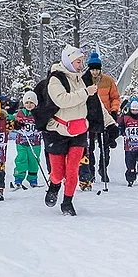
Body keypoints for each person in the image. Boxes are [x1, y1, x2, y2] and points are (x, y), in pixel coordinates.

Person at [43, 45, 99, 216]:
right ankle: (54, 185)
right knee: (58, 173)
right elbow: (62, 100)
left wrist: (109, 124)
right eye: (78, 61)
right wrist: (85, 92)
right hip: (58, 131)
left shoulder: (80, 79)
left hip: (79, 131)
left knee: (73, 169)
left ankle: (67, 201)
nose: (81, 65)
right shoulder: (56, 79)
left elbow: (96, 104)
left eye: (82, 61)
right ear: (68, 61)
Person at [82, 51, 121, 183]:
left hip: (105, 117)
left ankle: (103, 168)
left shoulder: (108, 80)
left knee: (105, 145)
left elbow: (115, 97)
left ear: (100, 69)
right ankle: (91, 169)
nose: (94, 72)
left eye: (96, 69)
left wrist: (114, 110)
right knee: (90, 146)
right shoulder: (84, 81)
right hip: (91, 117)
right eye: (92, 69)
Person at [12, 91, 42, 189]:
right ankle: (18, 178)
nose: (29, 105)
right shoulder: (20, 113)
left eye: (31, 103)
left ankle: (33, 178)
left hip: (35, 143)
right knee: (21, 159)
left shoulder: (38, 114)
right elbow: (11, 119)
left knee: (34, 160)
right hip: (22, 142)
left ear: (35, 104)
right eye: (27, 103)